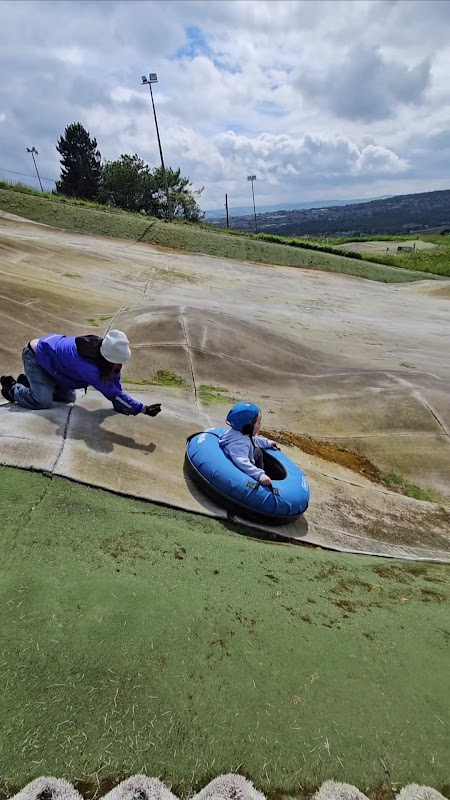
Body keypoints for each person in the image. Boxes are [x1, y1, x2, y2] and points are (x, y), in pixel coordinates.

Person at [0, 330, 161, 417]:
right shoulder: (89, 367)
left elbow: (115, 383)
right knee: (42, 402)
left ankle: (31, 383)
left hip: (54, 364)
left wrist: (121, 407)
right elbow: (113, 393)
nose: (120, 364)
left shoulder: (105, 350)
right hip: (36, 357)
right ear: (110, 358)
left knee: (68, 398)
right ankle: (12, 387)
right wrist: (143, 409)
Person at [219, 402, 278, 486]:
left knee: (257, 451)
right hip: (239, 466)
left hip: (240, 452)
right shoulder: (241, 443)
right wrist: (260, 475)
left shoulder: (238, 431)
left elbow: (254, 440)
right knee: (258, 452)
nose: (260, 425)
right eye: (258, 423)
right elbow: (241, 461)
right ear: (248, 427)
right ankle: (261, 474)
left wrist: (268, 443)